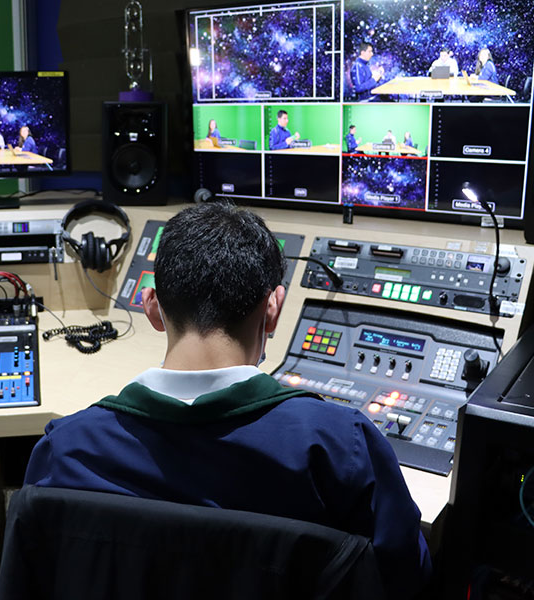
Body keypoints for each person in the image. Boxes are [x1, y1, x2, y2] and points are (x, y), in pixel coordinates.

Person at [24, 202, 432, 599]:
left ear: (151, 308)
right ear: (272, 310)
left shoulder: (65, 449)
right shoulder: (342, 445)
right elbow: (405, 575)